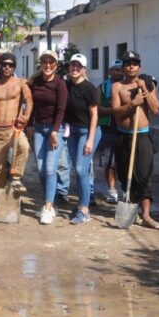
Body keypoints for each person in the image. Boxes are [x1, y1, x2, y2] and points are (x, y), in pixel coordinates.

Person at [112, 50, 159, 229]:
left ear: (140, 66)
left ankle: (146, 215)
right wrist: (132, 104)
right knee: (126, 176)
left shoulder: (148, 83)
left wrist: (145, 92)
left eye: (134, 63)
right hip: (123, 136)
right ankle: (131, 211)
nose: (131, 66)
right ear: (123, 67)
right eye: (128, 63)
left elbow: (156, 109)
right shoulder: (117, 86)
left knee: (143, 175)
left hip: (141, 135)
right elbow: (116, 113)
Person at [0, 52, 32, 194]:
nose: (7, 67)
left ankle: (16, 178)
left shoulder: (21, 83)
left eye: (10, 65)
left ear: (14, 67)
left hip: (13, 129)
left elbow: (29, 100)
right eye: (4, 64)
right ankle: (2, 202)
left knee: (24, 147)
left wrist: (26, 115)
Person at [30, 49, 68, 225]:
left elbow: (61, 109)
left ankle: (47, 207)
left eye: (51, 62)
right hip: (39, 129)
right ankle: (50, 200)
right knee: (40, 167)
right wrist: (29, 125)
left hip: (55, 130)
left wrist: (54, 131)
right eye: (45, 62)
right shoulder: (35, 82)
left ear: (56, 65)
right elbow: (30, 105)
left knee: (50, 168)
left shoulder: (60, 84)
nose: (47, 65)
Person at [63, 54, 101, 225]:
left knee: (80, 169)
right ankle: (81, 205)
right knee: (78, 170)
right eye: (72, 65)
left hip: (88, 131)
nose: (75, 68)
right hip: (73, 132)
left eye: (79, 66)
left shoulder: (89, 88)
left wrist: (90, 140)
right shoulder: (66, 85)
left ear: (84, 69)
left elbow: (94, 115)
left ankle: (84, 210)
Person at [98, 59, 123, 204]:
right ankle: (112, 190)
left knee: (122, 161)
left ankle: (124, 189)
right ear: (110, 71)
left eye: (121, 69)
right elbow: (98, 108)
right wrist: (116, 110)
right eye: (116, 69)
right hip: (107, 128)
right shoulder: (101, 88)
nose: (118, 72)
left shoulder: (128, 87)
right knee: (109, 162)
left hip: (124, 128)